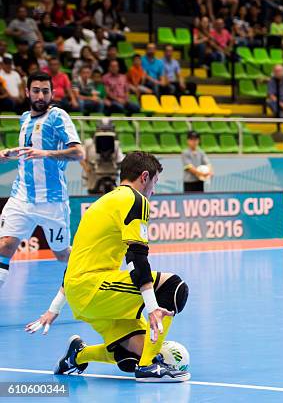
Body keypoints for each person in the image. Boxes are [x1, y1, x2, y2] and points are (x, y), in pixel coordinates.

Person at [53, 152, 190, 382]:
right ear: (144, 177)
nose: (153, 191)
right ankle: (148, 368)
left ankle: (78, 355)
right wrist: (152, 306)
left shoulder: (102, 203)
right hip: (94, 288)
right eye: (155, 182)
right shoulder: (135, 199)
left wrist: (56, 306)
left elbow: (75, 258)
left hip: (81, 293)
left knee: (130, 354)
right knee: (174, 287)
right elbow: (136, 257)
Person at [0, 71, 83, 328]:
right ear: (27, 92)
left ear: (52, 93)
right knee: (4, 246)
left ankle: (94, 264)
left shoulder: (58, 116)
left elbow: (78, 153)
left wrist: (45, 152)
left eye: (45, 91)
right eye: (36, 90)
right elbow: (28, 154)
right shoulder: (24, 118)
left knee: (61, 256)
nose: (40, 96)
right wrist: (9, 154)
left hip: (52, 202)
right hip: (21, 197)